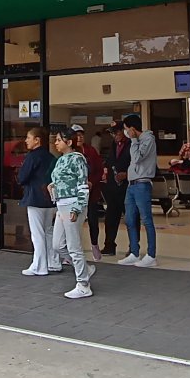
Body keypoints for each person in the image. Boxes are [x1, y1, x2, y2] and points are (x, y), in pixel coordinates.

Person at [48, 127, 95, 299]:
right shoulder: (61, 160)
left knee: (74, 246)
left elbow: (83, 185)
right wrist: (53, 187)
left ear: (69, 142)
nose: (56, 143)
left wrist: (77, 208)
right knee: (58, 244)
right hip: (62, 206)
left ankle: (83, 284)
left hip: (71, 205)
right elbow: (61, 181)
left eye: (59, 140)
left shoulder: (77, 160)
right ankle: (85, 269)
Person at [117, 114, 158, 267]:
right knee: (129, 219)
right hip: (131, 184)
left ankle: (151, 255)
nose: (126, 133)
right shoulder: (136, 141)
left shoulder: (148, 139)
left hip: (142, 183)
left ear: (133, 129)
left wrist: (134, 140)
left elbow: (137, 158)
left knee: (146, 220)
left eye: (127, 130)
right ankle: (134, 252)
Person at [17, 127, 56, 276]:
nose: (26, 140)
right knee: (48, 231)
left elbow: (22, 177)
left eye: (28, 137)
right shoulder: (51, 157)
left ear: (37, 140)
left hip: (34, 197)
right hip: (49, 198)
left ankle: (39, 265)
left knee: (37, 233)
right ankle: (53, 262)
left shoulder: (32, 157)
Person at [70, 124, 105, 261]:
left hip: (91, 193)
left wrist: (91, 182)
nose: (79, 138)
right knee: (74, 222)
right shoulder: (70, 152)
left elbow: (99, 170)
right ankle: (73, 250)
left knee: (92, 220)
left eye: (81, 135)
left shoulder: (91, 151)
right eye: (76, 135)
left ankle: (94, 244)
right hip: (75, 195)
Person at [99, 122, 130, 257]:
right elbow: (110, 161)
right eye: (112, 133)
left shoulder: (131, 145)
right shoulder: (114, 145)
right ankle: (109, 245)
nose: (115, 136)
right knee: (111, 217)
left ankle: (133, 246)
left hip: (127, 187)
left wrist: (127, 174)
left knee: (130, 218)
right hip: (113, 186)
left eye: (116, 132)